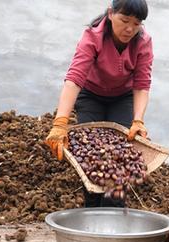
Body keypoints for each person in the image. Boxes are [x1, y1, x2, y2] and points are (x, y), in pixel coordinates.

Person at [45, 0, 153, 207]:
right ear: (111, 14)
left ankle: (114, 210)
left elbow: (142, 84)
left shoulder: (143, 42)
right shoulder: (92, 37)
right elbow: (75, 79)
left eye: (137, 23)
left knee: (120, 153)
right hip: (91, 94)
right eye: (124, 20)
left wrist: (138, 120)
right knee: (89, 150)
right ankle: (92, 208)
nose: (130, 28)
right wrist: (60, 122)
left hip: (123, 97)